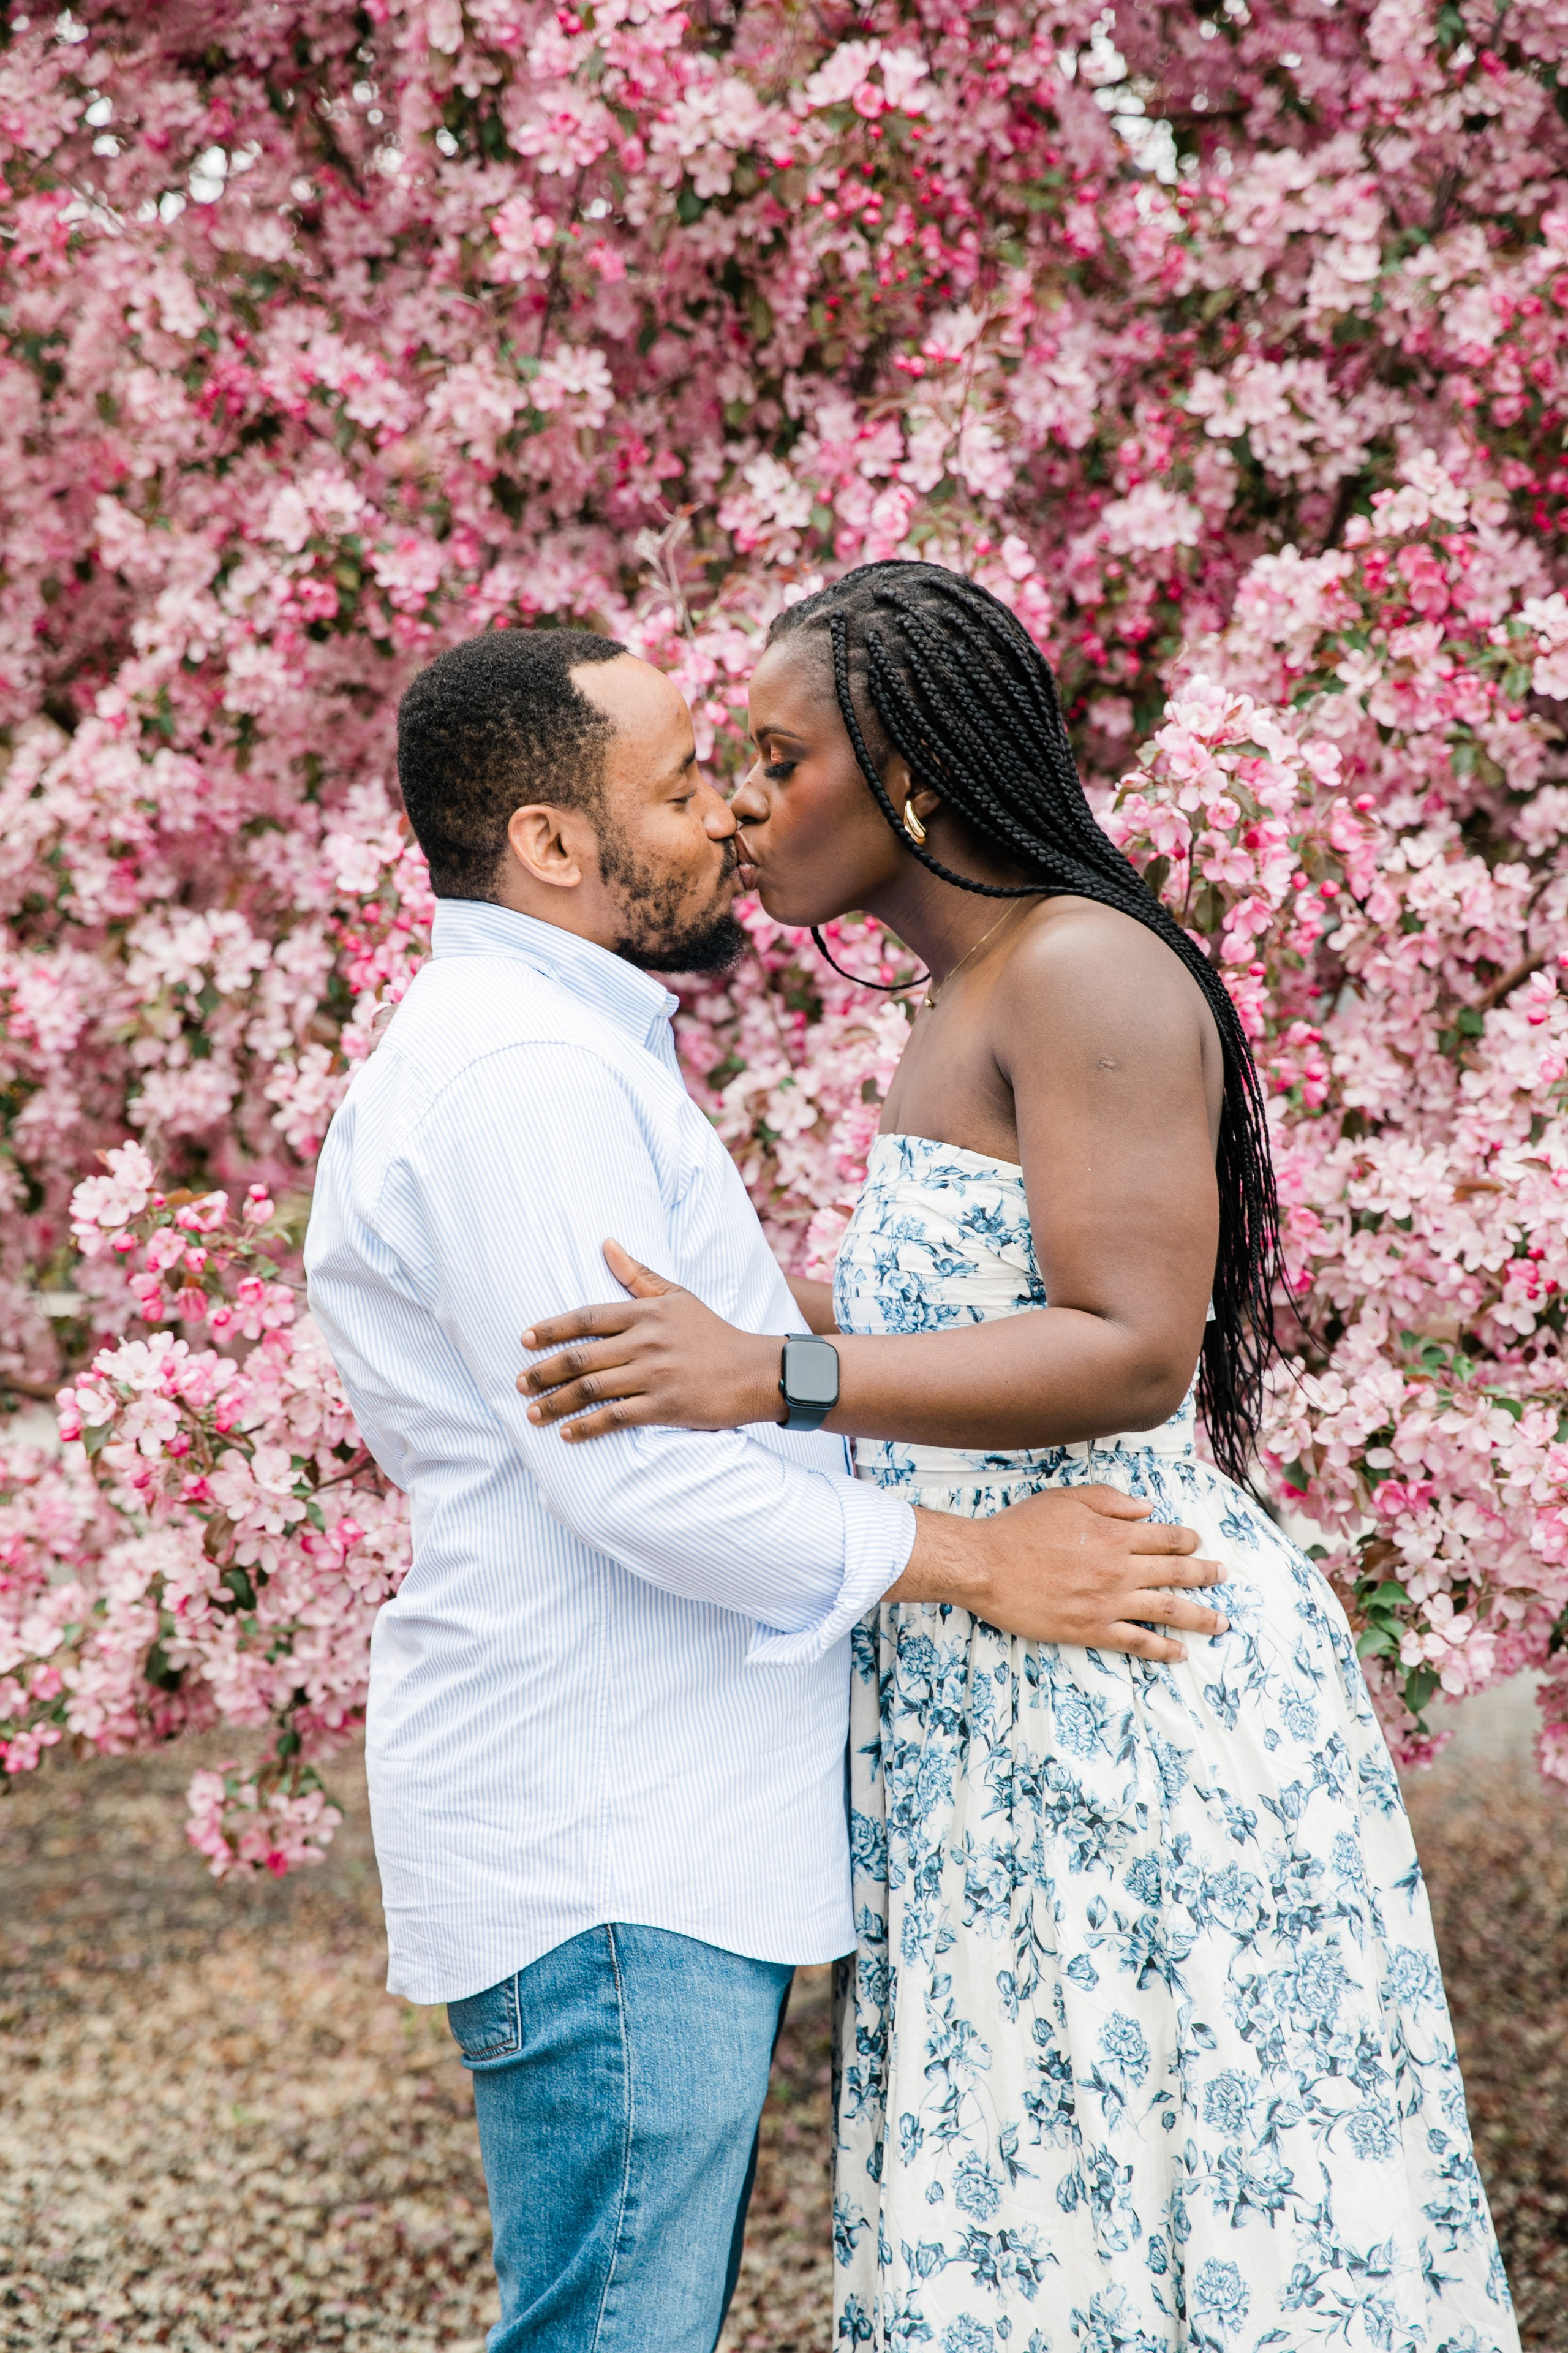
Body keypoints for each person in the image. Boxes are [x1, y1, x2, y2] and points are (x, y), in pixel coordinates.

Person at [518, 565, 1520, 2353]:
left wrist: (775, 1370)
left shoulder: (1083, 966)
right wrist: (718, 1324)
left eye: (776, 755)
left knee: (1169, 2187)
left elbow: (1134, 1341)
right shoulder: (969, 991)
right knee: (1039, 2201)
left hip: (1126, 1676)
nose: (742, 803)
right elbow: (978, 1307)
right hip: (997, 1673)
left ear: (908, 776)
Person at [302, 624, 1227, 2353]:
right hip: (612, 1840)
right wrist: (976, 1559)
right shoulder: (526, 1082)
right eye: (672, 786)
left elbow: (690, 1363)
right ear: (554, 845)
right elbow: (640, 1477)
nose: (726, 815)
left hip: (648, 1831)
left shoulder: (567, 1052)